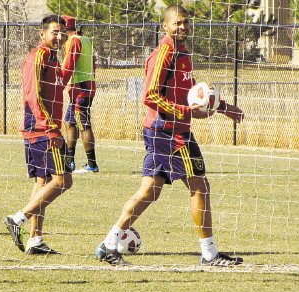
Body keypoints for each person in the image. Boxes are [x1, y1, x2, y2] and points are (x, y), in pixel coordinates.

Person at [95, 5, 244, 266]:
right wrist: (185, 111)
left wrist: (221, 107)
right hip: (166, 131)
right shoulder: (164, 51)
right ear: (165, 26)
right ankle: (208, 255)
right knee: (191, 187)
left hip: (175, 130)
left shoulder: (183, 53)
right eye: (177, 23)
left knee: (162, 189)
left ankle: (109, 245)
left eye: (185, 23)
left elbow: (190, 93)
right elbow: (150, 95)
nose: (183, 27)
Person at [4, 15, 72, 255]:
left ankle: (36, 240)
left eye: (63, 32)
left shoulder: (53, 59)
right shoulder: (38, 56)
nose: (60, 37)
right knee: (63, 181)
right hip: (42, 129)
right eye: (55, 32)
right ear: (42, 34)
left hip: (45, 128)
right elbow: (33, 96)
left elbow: (58, 87)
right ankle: (18, 218)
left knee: (42, 182)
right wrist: (51, 128)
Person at [60, 15, 99, 174]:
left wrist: (60, 84)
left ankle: (92, 164)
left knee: (83, 124)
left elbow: (69, 64)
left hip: (81, 89)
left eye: (60, 31)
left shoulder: (73, 41)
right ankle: (70, 162)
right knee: (69, 122)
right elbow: (93, 62)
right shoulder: (85, 40)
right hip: (84, 86)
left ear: (65, 29)